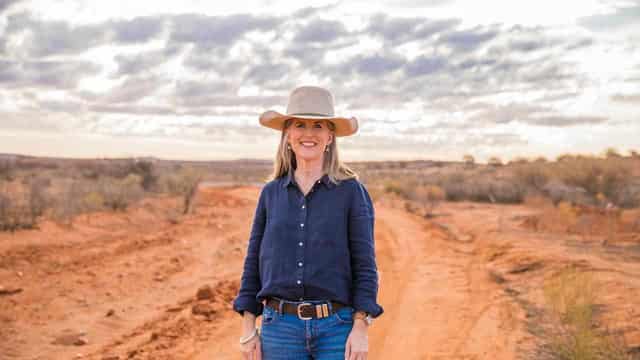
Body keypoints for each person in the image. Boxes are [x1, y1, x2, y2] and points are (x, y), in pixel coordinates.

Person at [232, 85, 384, 359]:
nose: (309, 133)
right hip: (279, 330)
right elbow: (253, 261)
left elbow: (365, 264)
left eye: (318, 126)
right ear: (288, 135)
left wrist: (361, 326)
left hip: (336, 328)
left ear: (330, 136)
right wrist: (248, 327)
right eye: (300, 125)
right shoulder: (271, 194)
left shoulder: (351, 192)